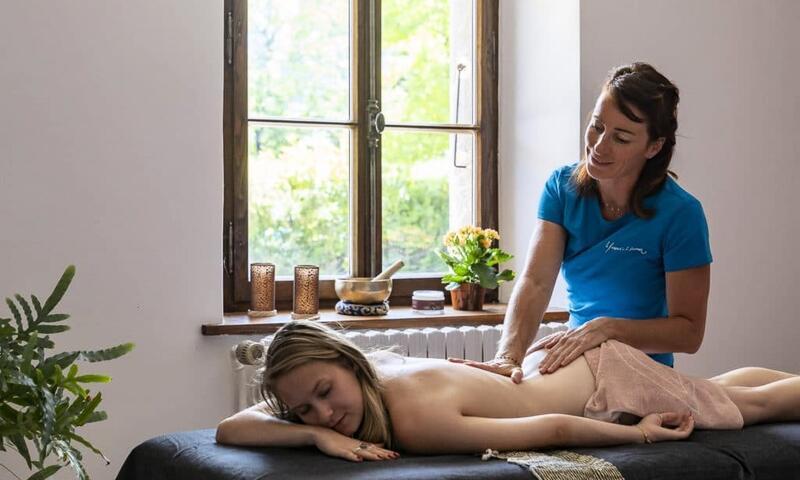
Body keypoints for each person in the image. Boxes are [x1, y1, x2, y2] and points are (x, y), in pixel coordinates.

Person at [453, 62, 716, 382]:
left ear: (654, 146)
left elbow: (688, 333)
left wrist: (608, 329)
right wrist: (507, 357)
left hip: (642, 370)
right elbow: (536, 282)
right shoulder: (561, 188)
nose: (599, 146)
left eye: (621, 138)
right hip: (578, 355)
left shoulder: (681, 214)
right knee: (504, 389)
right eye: (597, 126)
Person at [216, 320, 800, 462]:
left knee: (748, 410)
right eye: (302, 410)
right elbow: (229, 426)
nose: (323, 413)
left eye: (323, 394)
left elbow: (548, 431)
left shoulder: (413, 417)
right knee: (718, 388)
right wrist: (316, 435)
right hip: (553, 365)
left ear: (345, 361)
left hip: (600, 378)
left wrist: (640, 433)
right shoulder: (367, 369)